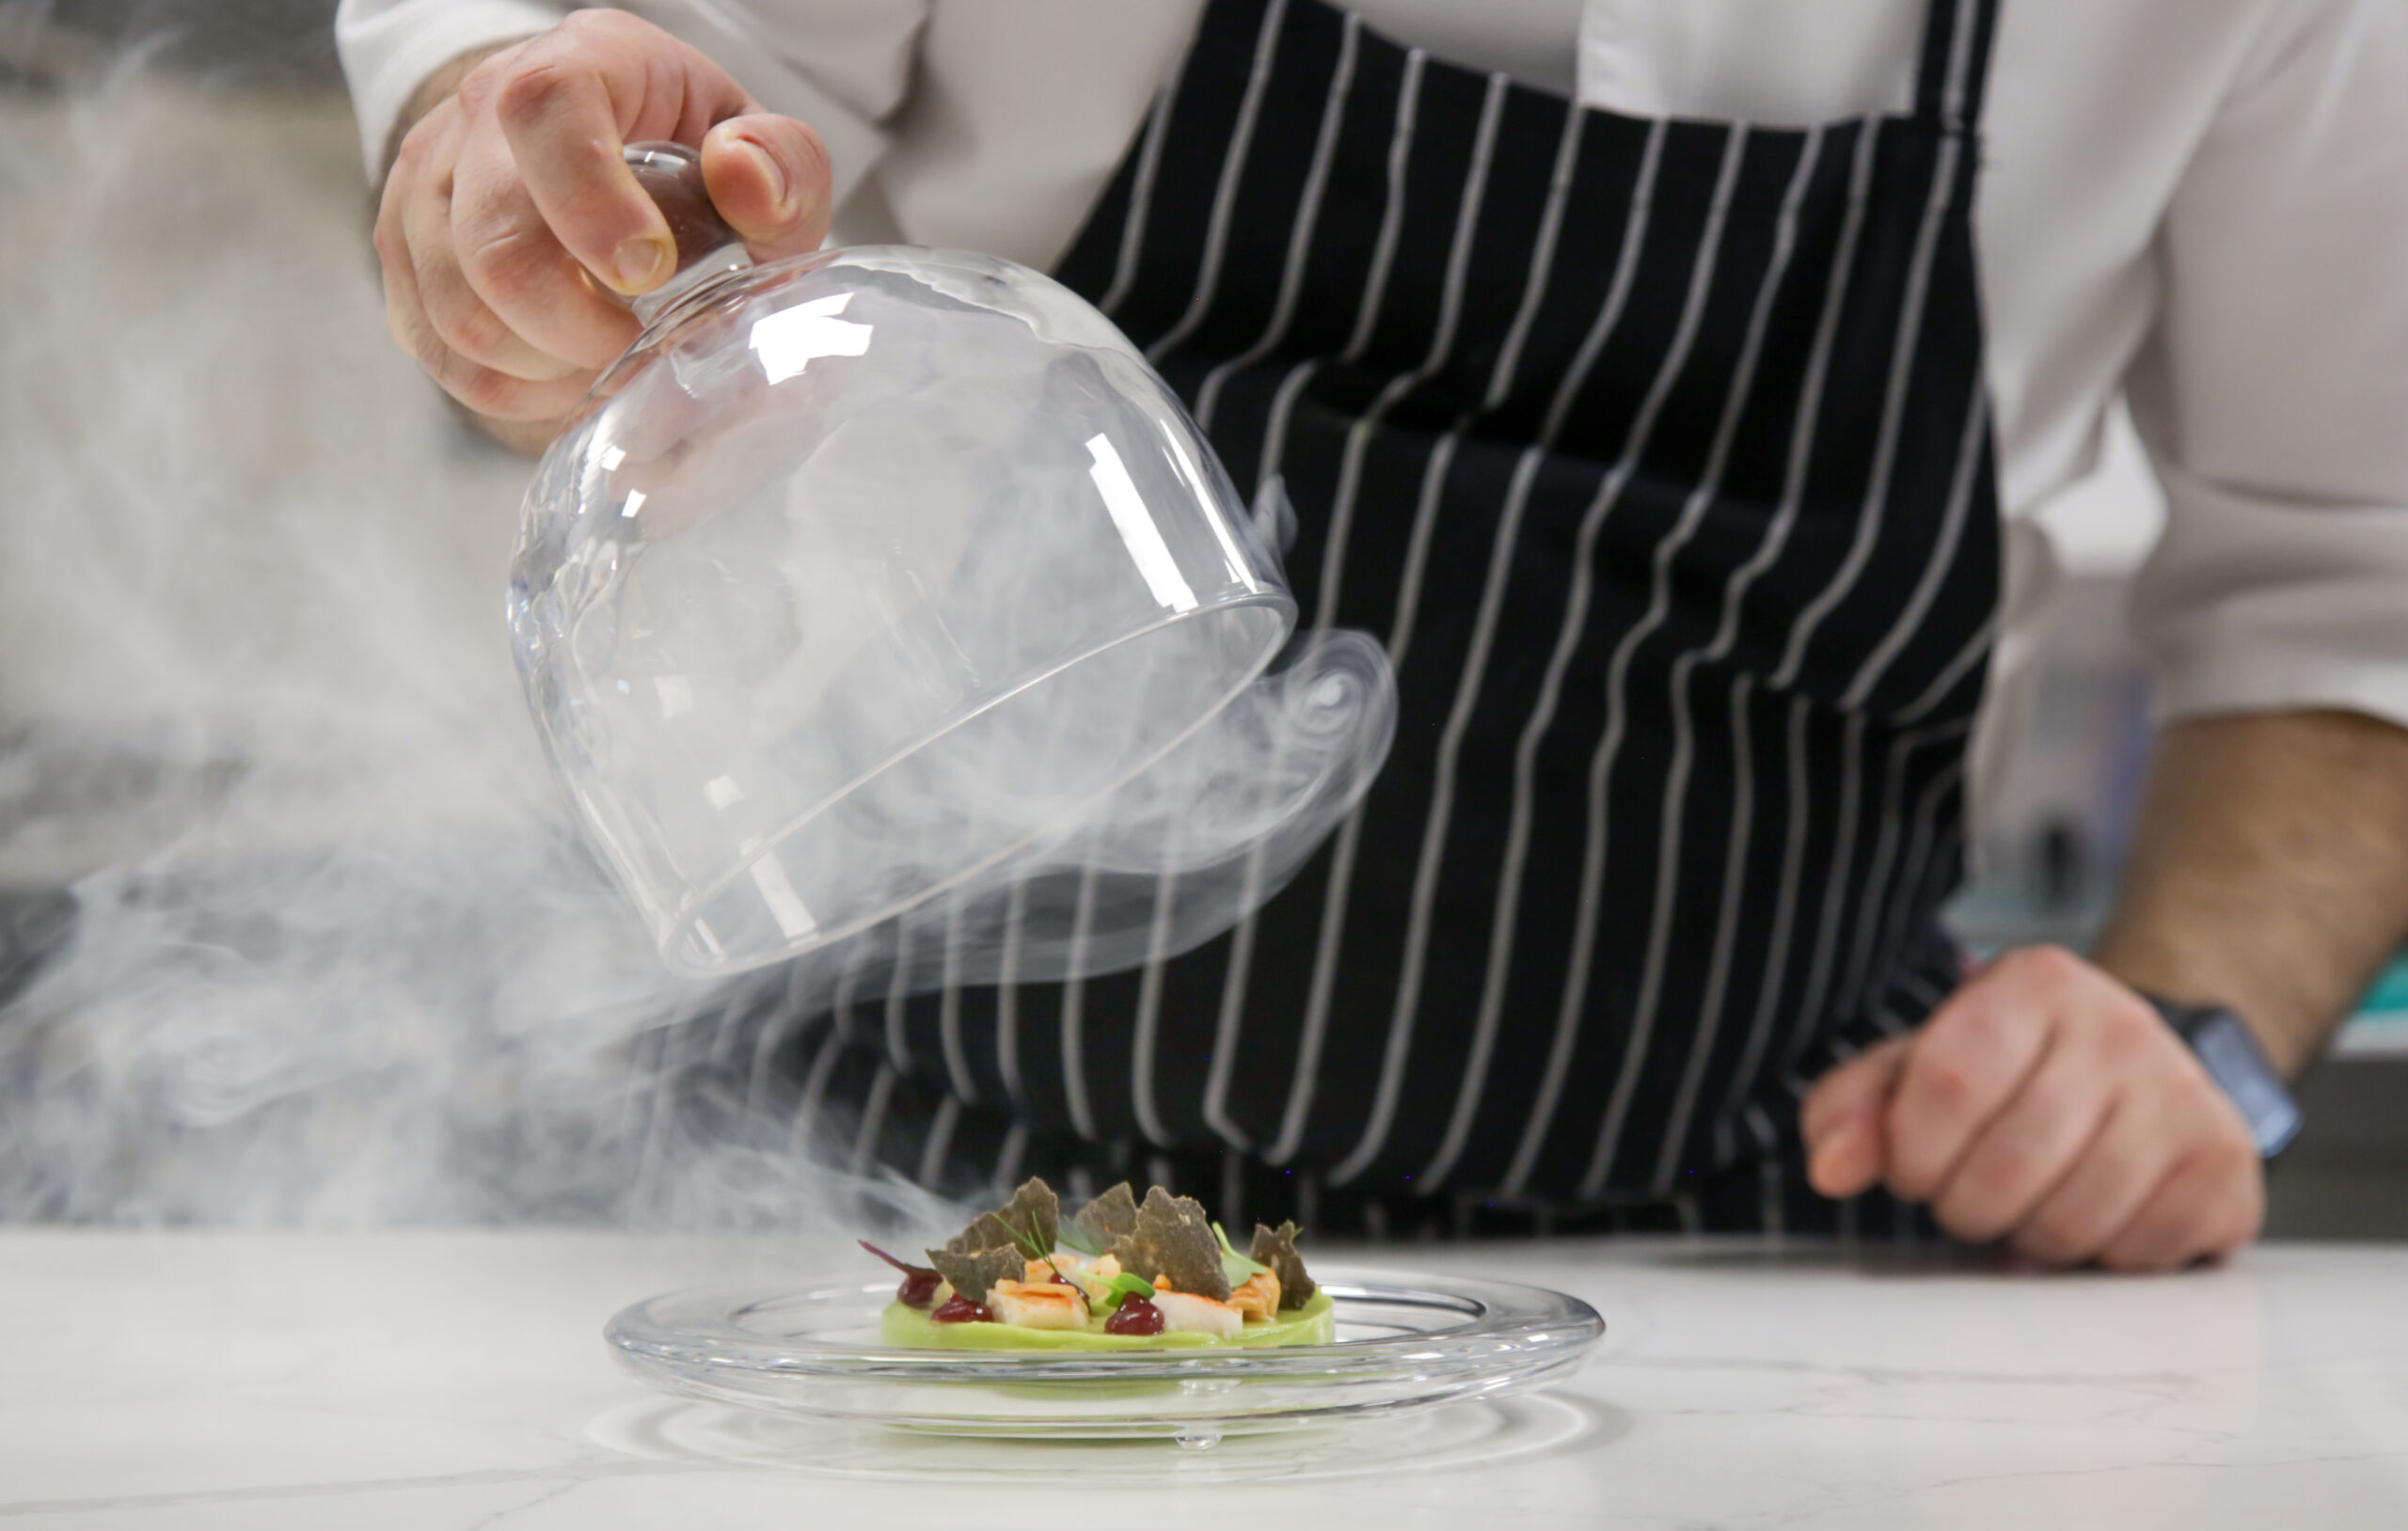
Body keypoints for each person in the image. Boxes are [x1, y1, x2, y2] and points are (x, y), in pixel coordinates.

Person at [337, 0, 2408, 1267]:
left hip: (1758, 1283)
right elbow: (618, 131)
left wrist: (2179, 1040)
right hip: (882, 1242)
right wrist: (534, 192)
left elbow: (2352, 601)